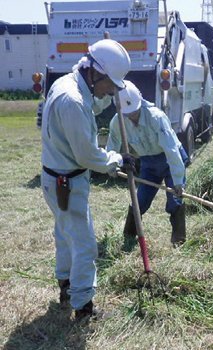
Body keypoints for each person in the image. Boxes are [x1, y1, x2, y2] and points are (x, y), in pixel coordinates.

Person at [41, 39, 134, 321]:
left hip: (55, 178)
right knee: (84, 244)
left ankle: (66, 285)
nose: (112, 91)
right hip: (67, 182)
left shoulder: (67, 84)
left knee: (65, 234)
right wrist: (116, 159)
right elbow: (86, 156)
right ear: (95, 73)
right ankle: (83, 307)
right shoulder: (73, 100)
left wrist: (105, 102)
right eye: (111, 84)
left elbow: (84, 115)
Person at [106, 81, 188, 249]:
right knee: (139, 201)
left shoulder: (156, 117)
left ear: (140, 103)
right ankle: (128, 238)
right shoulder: (118, 121)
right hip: (149, 164)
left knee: (175, 201)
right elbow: (113, 143)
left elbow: (171, 150)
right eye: (127, 114)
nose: (132, 117)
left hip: (169, 159)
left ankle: (179, 242)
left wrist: (178, 181)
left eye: (134, 112)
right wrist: (111, 165)